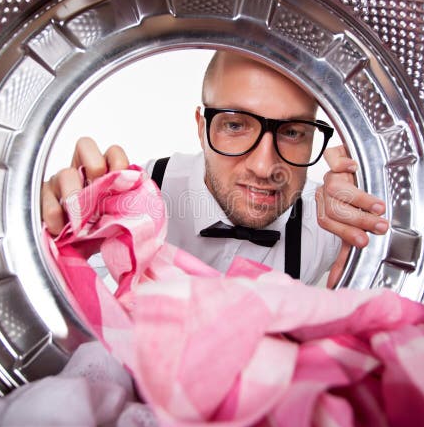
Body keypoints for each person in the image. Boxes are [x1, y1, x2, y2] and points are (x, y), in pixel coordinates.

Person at [41, 50, 389, 288]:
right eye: (236, 126)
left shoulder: (332, 223)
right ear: (200, 127)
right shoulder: (134, 198)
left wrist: (378, 212)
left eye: (293, 132)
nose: (264, 166)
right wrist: (52, 239)